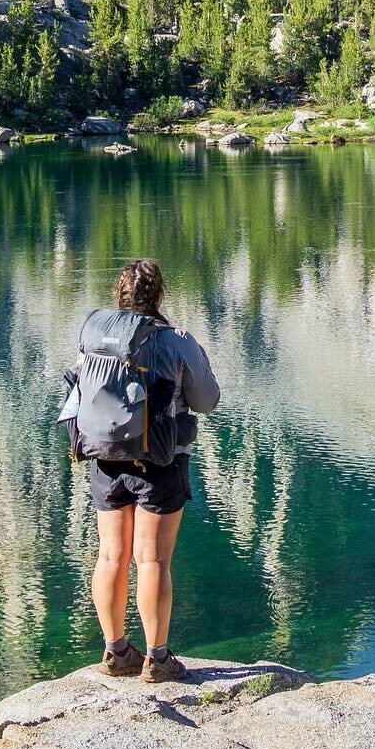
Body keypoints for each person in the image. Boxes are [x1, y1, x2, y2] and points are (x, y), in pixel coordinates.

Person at [70, 258, 220, 682]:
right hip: (160, 460)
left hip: (103, 457)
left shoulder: (94, 336)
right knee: (152, 559)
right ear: (158, 296)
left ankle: (116, 651)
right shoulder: (175, 341)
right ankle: (158, 659)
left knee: (111, 555)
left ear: (119, 296)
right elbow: (207, 400)